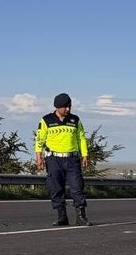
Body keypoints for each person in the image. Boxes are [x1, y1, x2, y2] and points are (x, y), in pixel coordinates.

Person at [34, 94, 92, 226]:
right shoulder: (46, 120)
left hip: (72, 159)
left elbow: (81, 138)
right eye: (65, 107)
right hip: (54, 159)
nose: (68, 109)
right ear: (57, 107)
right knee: (56, 188)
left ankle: (81, 216)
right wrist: (39, 157)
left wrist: (85, 155)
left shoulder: (75, 120)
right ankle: (62, 216)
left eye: (69, 106)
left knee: (77, 187)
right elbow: (39, 140)